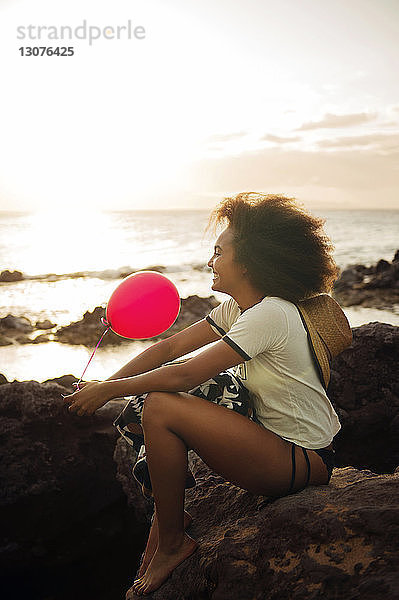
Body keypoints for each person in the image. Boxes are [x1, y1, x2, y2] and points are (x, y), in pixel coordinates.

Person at [64, 193, 344, 597]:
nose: (209, 262)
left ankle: (173, 542)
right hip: (271, 446)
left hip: (300, 460)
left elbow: (187, 372)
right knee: (158, 401)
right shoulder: (240, 308)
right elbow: (168, 350)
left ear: (249, 262)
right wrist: (102, 384)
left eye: (218, 252)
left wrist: (109, 391)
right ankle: (167, 525)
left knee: (162, 403)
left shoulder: (272, 313)